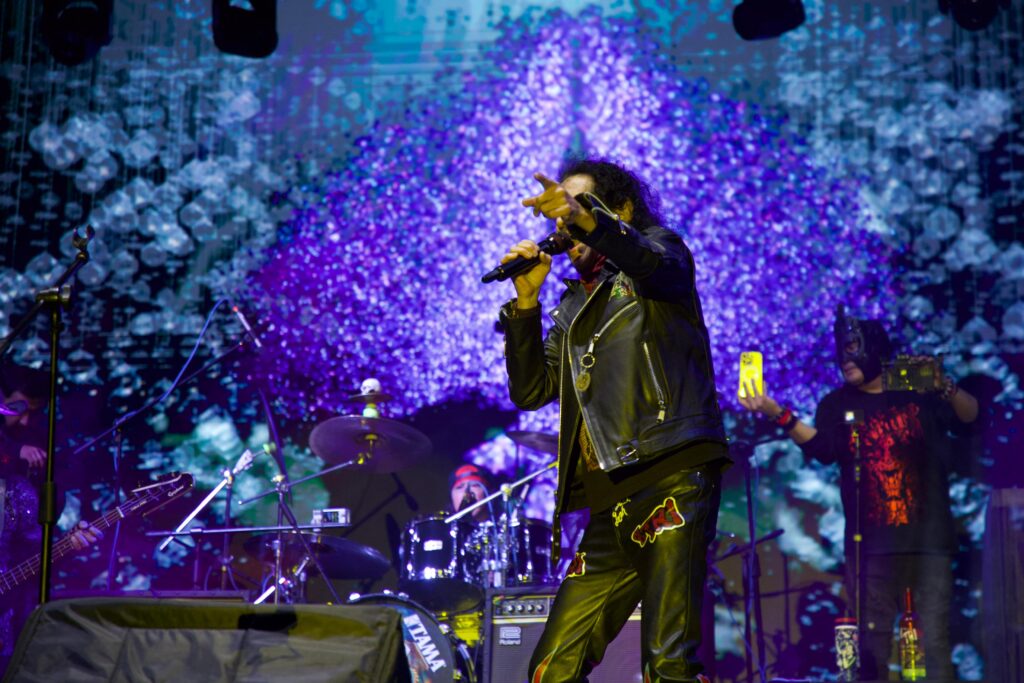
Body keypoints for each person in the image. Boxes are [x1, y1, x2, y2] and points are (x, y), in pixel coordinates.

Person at [498, 158, 729, 683]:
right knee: (550, 671)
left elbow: (651, 263)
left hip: (670, 476)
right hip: (611, 501)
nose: (565, 224)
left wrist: (589, 220)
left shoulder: (660, 254)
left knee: (668, 665)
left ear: (620, 210)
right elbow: (532, 391)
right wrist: (526, 304)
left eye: (578, 207)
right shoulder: (571, 305)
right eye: (561, 216)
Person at [738, 308, 979, 680]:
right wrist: (777, 412)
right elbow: (823, 449)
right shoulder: (836, 405)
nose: (845, 358)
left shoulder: (917, 392)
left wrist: (944, 386)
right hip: (869, 549)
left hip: (927, 544)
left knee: (932, 643)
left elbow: (972, 418)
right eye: (840, 350)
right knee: (870, 649)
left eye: (852, 347)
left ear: (875, 347)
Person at [1, 364, 101, 675]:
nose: (24, 420)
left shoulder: (22, 487)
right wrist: (13, 449)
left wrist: (66, 546)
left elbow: (31, 556)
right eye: (17, 408)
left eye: (33, 411)